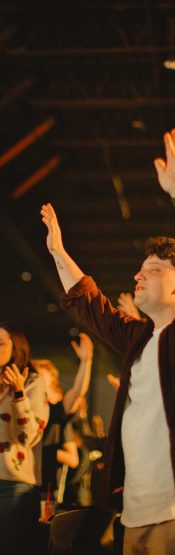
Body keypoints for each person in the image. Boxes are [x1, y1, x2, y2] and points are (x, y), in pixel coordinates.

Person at [41, 128, 175, 555]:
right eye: (139, 268)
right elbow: (92, 306)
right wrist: (60, 253)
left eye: (152, 268)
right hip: (132, 512)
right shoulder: (140, 337)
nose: (138, 275)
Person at [0, 322, 49, 555]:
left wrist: (18, 394)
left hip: (13, 484)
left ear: (15, 348)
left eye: (0, 343)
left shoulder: (32, 382)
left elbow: (28, 436)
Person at [32, 333, 93, 500]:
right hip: (23, 488)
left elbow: (77, 392)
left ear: (51, 382)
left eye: (39, 376)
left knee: (46, 525)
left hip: (48, 493)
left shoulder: (56, 411)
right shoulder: (24, 408)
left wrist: (85, 362)